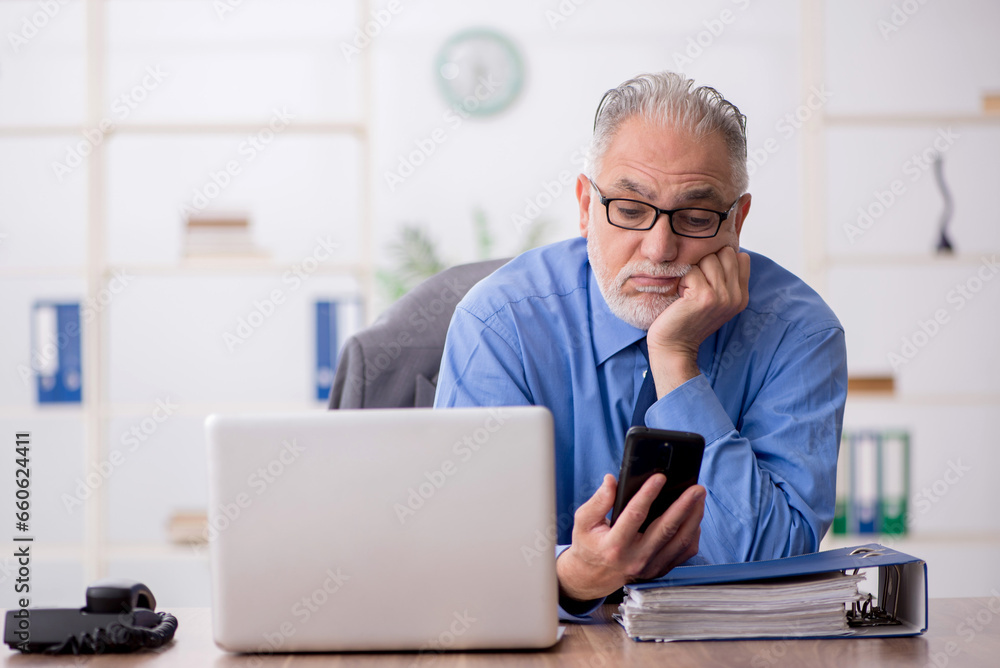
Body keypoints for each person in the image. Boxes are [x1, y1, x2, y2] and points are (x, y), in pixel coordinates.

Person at [433, 71, 847, 617]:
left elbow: (770, 567)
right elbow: (460, 565)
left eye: (696, 217)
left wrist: (676, 361)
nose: (659, 248)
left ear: (737, 221)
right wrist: (572, 578)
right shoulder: (500, 324)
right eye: (629, 210)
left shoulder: (799, 332)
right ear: (585, 206)